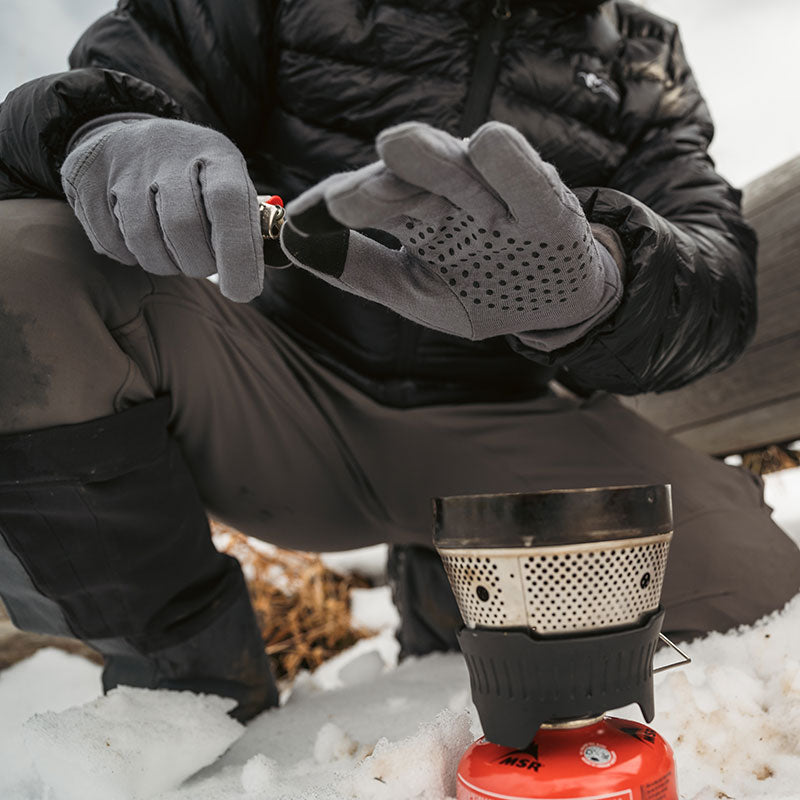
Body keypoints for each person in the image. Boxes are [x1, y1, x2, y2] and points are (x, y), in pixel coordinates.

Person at [1, 0, 798, 722]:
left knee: (758, 587)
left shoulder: (644, 62)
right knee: (19, 262)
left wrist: (607, 281)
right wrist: (104, 126)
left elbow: (717, 273)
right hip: (273, 388)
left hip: (501, 427)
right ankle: (183, 694)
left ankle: (442, 587)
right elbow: (130, 61)